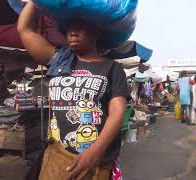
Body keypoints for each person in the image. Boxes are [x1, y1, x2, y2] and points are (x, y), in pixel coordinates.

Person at [17, 2, 128, 180]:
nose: (73, 32)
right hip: (56, 157)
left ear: (96, 31)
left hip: (95, 163)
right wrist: (34, 2)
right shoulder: (58, 60)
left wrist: (95, 153)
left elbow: (117, 112)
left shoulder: (112, 68)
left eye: (81, 27)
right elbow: (25, 30)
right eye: (69, 28)